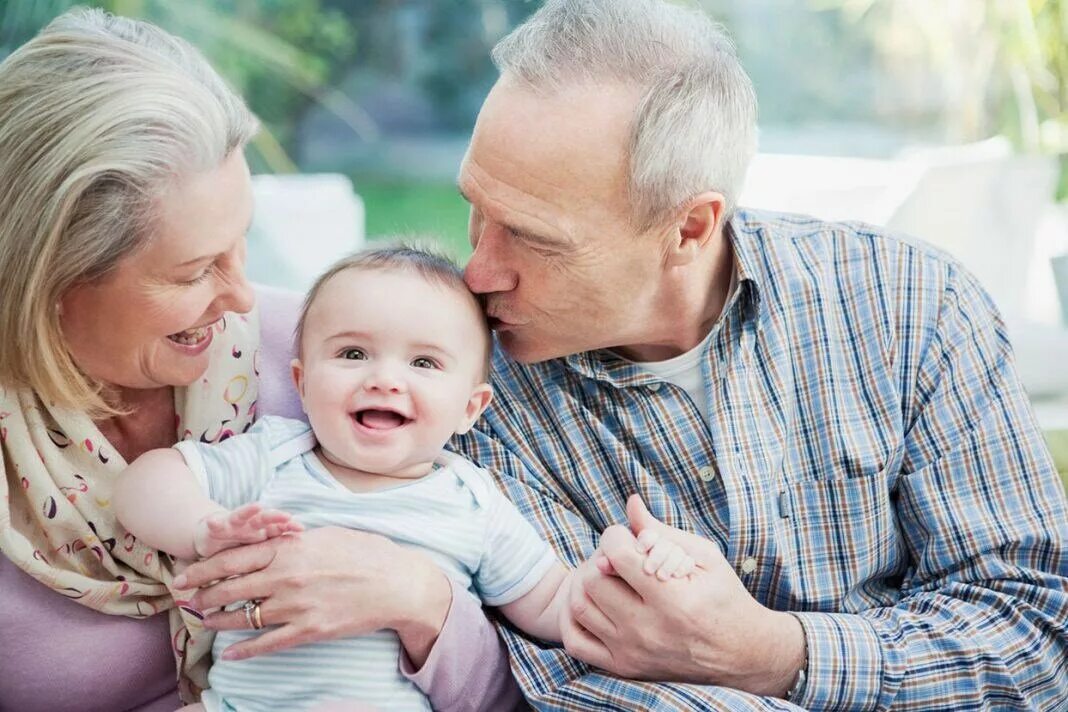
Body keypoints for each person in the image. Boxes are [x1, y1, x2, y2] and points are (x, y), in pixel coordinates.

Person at [451, 0, 1068, 709]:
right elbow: (578, 692)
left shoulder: (912, 306)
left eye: (532, 238)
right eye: (476, 208)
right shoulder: (461, 388)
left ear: (689, 227)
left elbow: (1035, 638)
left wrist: (772, 654)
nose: (478, 273)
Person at [0, 10, 520, 711]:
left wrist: (420, 600)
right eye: (191, 272)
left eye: (243, 242)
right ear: (48, 280)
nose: (241, 294)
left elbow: (515, 695)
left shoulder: (328, 360)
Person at [114, 246, 696, 711]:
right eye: (352, 354)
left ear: (472, 407)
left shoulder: (473, 502)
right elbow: (148, 481)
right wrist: (204, 526)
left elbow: (553, 603)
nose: (385, 380)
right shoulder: (274, 457)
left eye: (424, 363)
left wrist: (624, 569)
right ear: (301, 381)